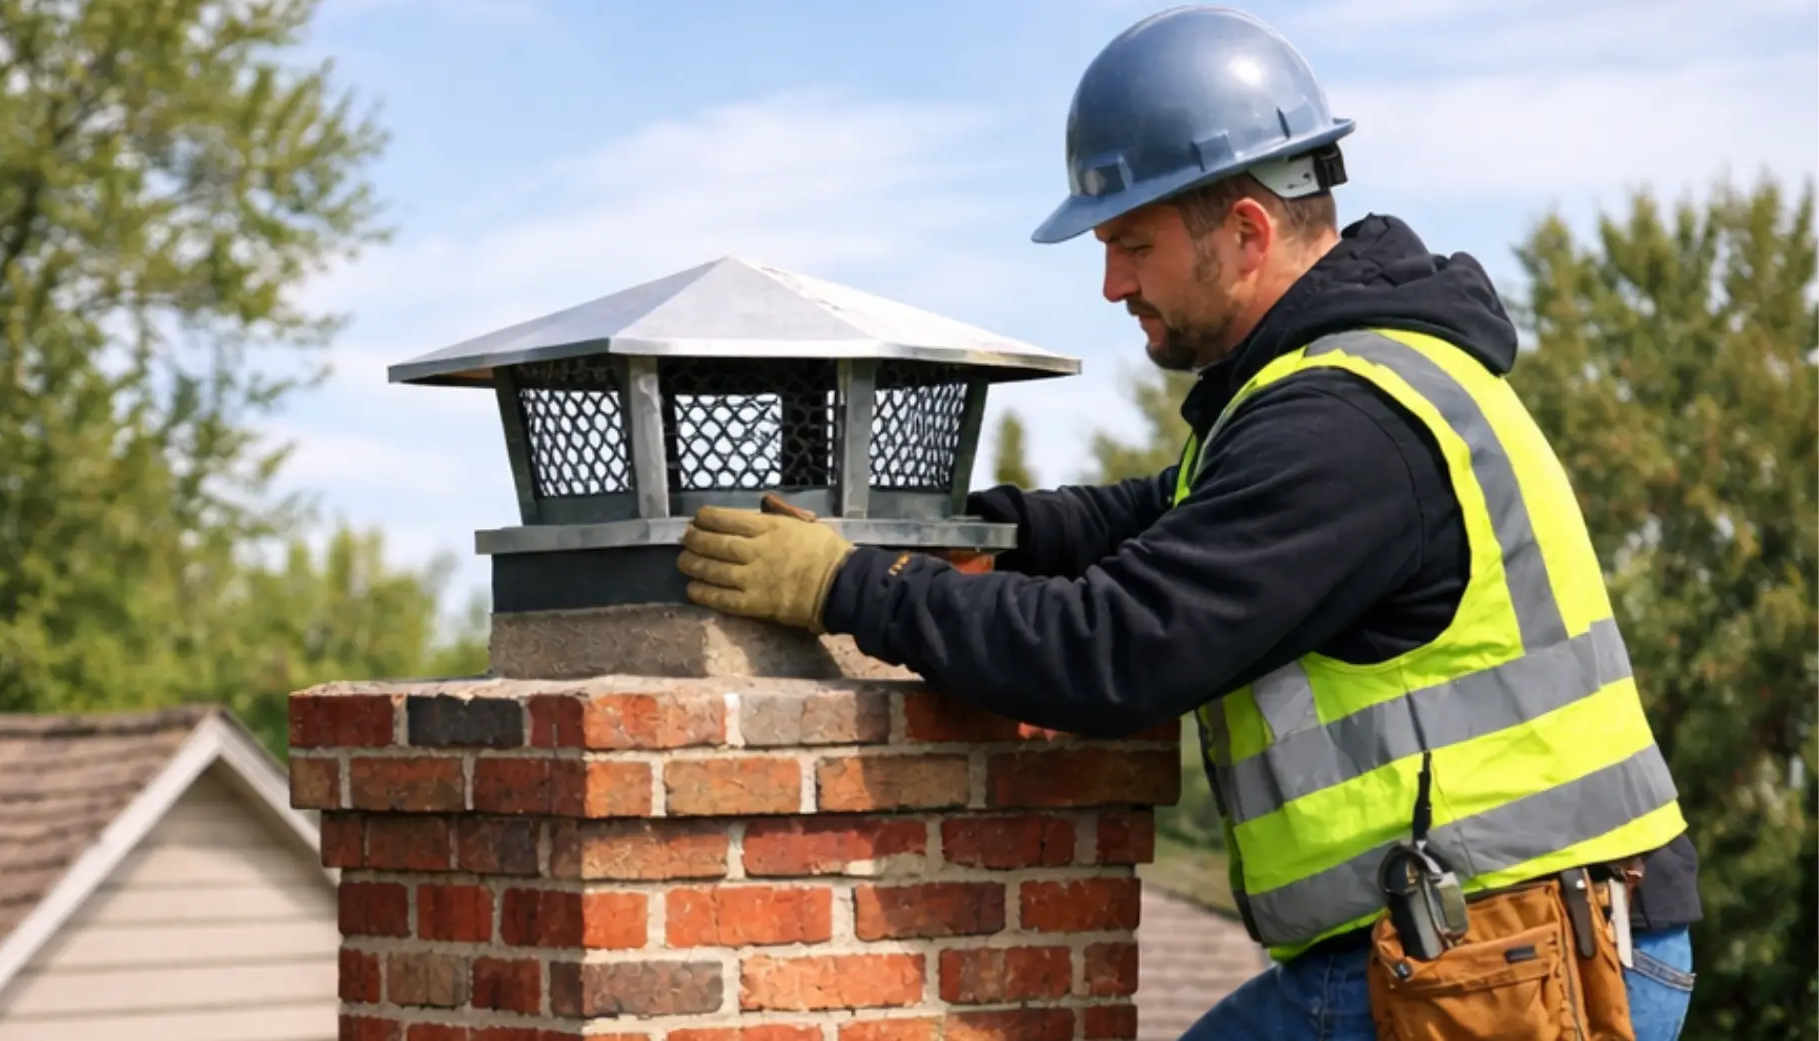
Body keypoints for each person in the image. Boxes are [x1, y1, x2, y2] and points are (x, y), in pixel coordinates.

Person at [673, 6, 1701, 1039]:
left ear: (1246, 232)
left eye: (1131, 244)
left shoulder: (1340, 426)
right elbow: (1157, 515)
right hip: (1485, 938)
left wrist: (850, 588)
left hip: (1505, 957)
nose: (1111, 283)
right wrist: (982, 535)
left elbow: (1116, 650)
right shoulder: (1345, 382)